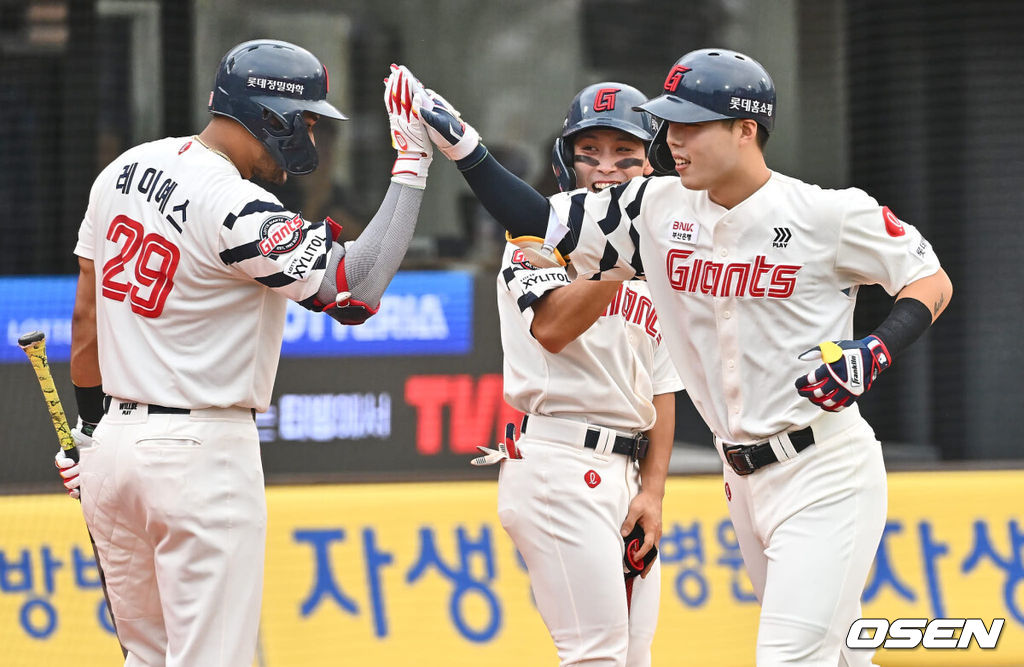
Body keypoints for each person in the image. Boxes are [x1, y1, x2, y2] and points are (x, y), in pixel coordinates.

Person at [408, 48, 953, 667]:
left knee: (792, 658)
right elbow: (542, 221)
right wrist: (466, 150)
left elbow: (929, 281)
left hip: (823, 464)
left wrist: (876, 347)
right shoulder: (655, 209)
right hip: (742, 478)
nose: (674, 139)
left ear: (746, 130)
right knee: (840, 653)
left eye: (692, 125)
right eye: (670, 124)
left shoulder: (826, 213)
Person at [55, 46, 432, 665]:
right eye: (305, 119)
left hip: (112, 453)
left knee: (144, 658)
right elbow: (355, 287)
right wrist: (412, 165)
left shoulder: (123, 169)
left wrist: (92, 425)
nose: (309, 134)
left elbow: (86, 317)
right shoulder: (233, 203)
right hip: (199, 456)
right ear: (268, 112)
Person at [470, 82, 683, 666]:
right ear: (566, 163)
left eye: (625, 154)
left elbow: (662, 387)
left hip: (627, 470)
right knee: (595, 654)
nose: (606, 169)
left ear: (651, 165)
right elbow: (554, 329)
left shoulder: (660, 262)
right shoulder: (532, 241)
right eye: (590, 152)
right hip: (559, 464)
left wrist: (654, 492)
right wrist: (618, 261)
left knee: (631, 657)